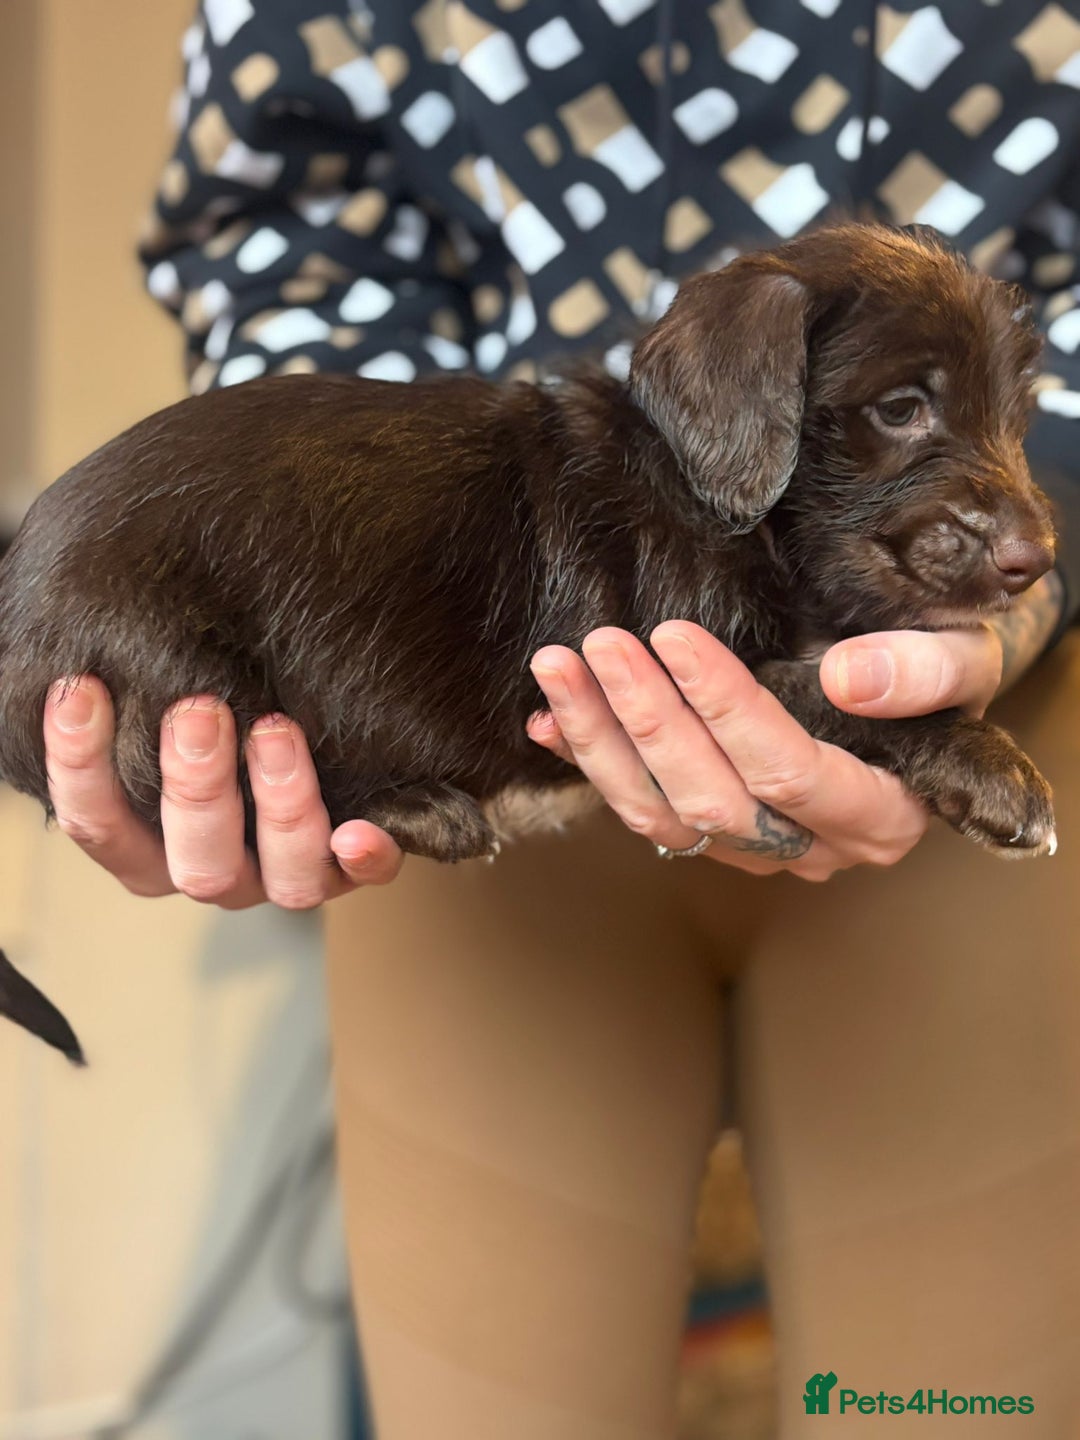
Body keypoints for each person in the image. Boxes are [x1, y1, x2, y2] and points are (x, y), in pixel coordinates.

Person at [43, 2, 1080, 1434]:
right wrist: (317, 602)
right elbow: (278, 203)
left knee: (953, 1414)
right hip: (499, 759)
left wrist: (1036, 558)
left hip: (1001, 714)